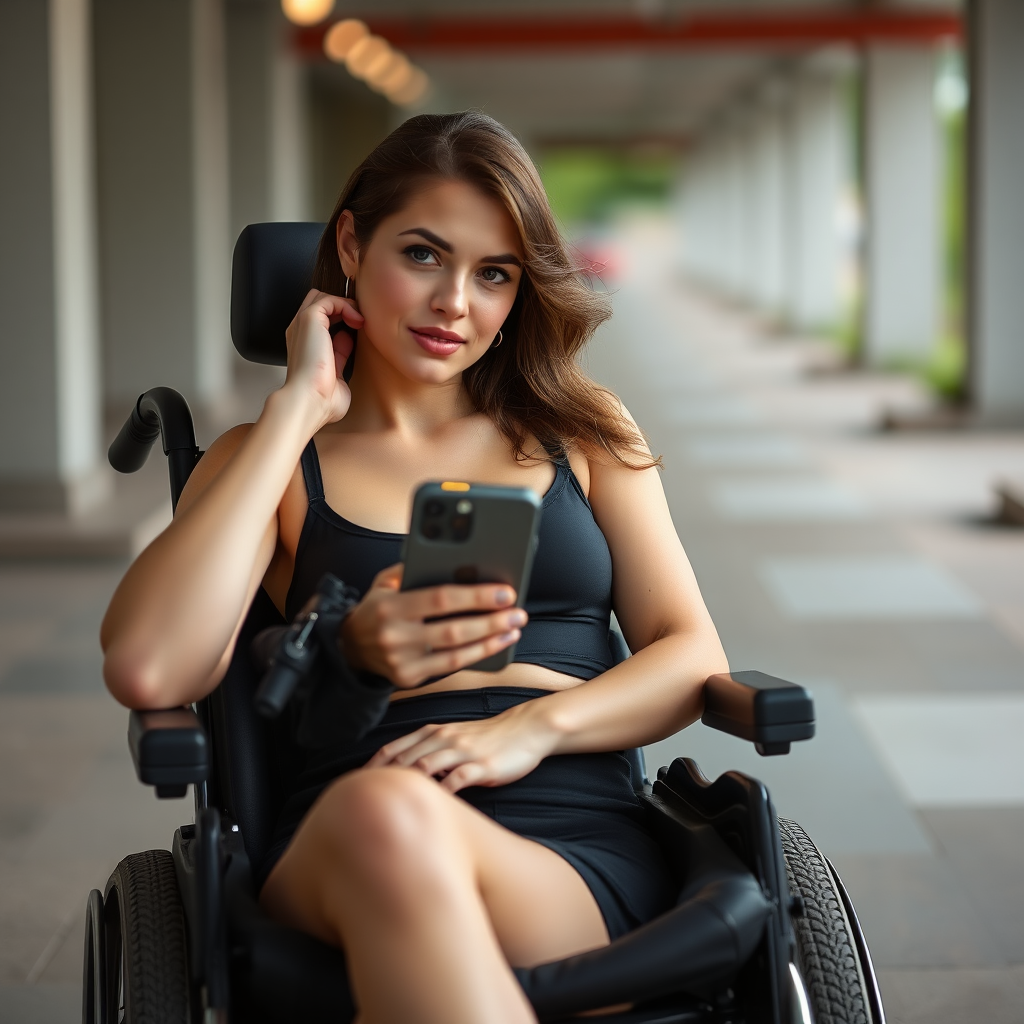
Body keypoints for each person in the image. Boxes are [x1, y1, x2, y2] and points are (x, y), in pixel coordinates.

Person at [101, 111, 728, 1024]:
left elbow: (690, 654)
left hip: (568, 845)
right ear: (350, 244)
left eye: (495, 274)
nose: (455, 305)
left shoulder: (584, 432)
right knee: (389, 815)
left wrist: (534, 729)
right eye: (425, 256)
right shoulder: (270, 460)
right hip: (352, 833)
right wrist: (294, 412)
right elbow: (149, 666)